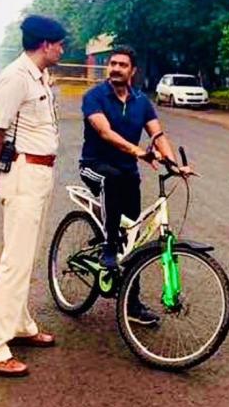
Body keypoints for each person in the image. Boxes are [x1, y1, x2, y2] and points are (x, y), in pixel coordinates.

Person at [0, 15, 66, 378]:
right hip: (24, 174)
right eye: (59, 44)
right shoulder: (14, 76)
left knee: (27, 258)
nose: (62, 50)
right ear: (45, 44)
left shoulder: (39, 76)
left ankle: (20, 325)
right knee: (15, 262)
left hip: (40, 173)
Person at [79, 45, 190, 325]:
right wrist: (139, 152)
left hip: (128, 173)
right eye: (113, 63)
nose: (116, 68)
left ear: (133, 71)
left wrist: (173, 164)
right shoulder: (94, 97)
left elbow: (157, 135)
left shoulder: (142, 101)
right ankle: (107, 247)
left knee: (134, 237)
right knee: (112, 180)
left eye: (123, 65)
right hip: (94, 166)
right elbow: (105, 132)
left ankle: (132, 302)